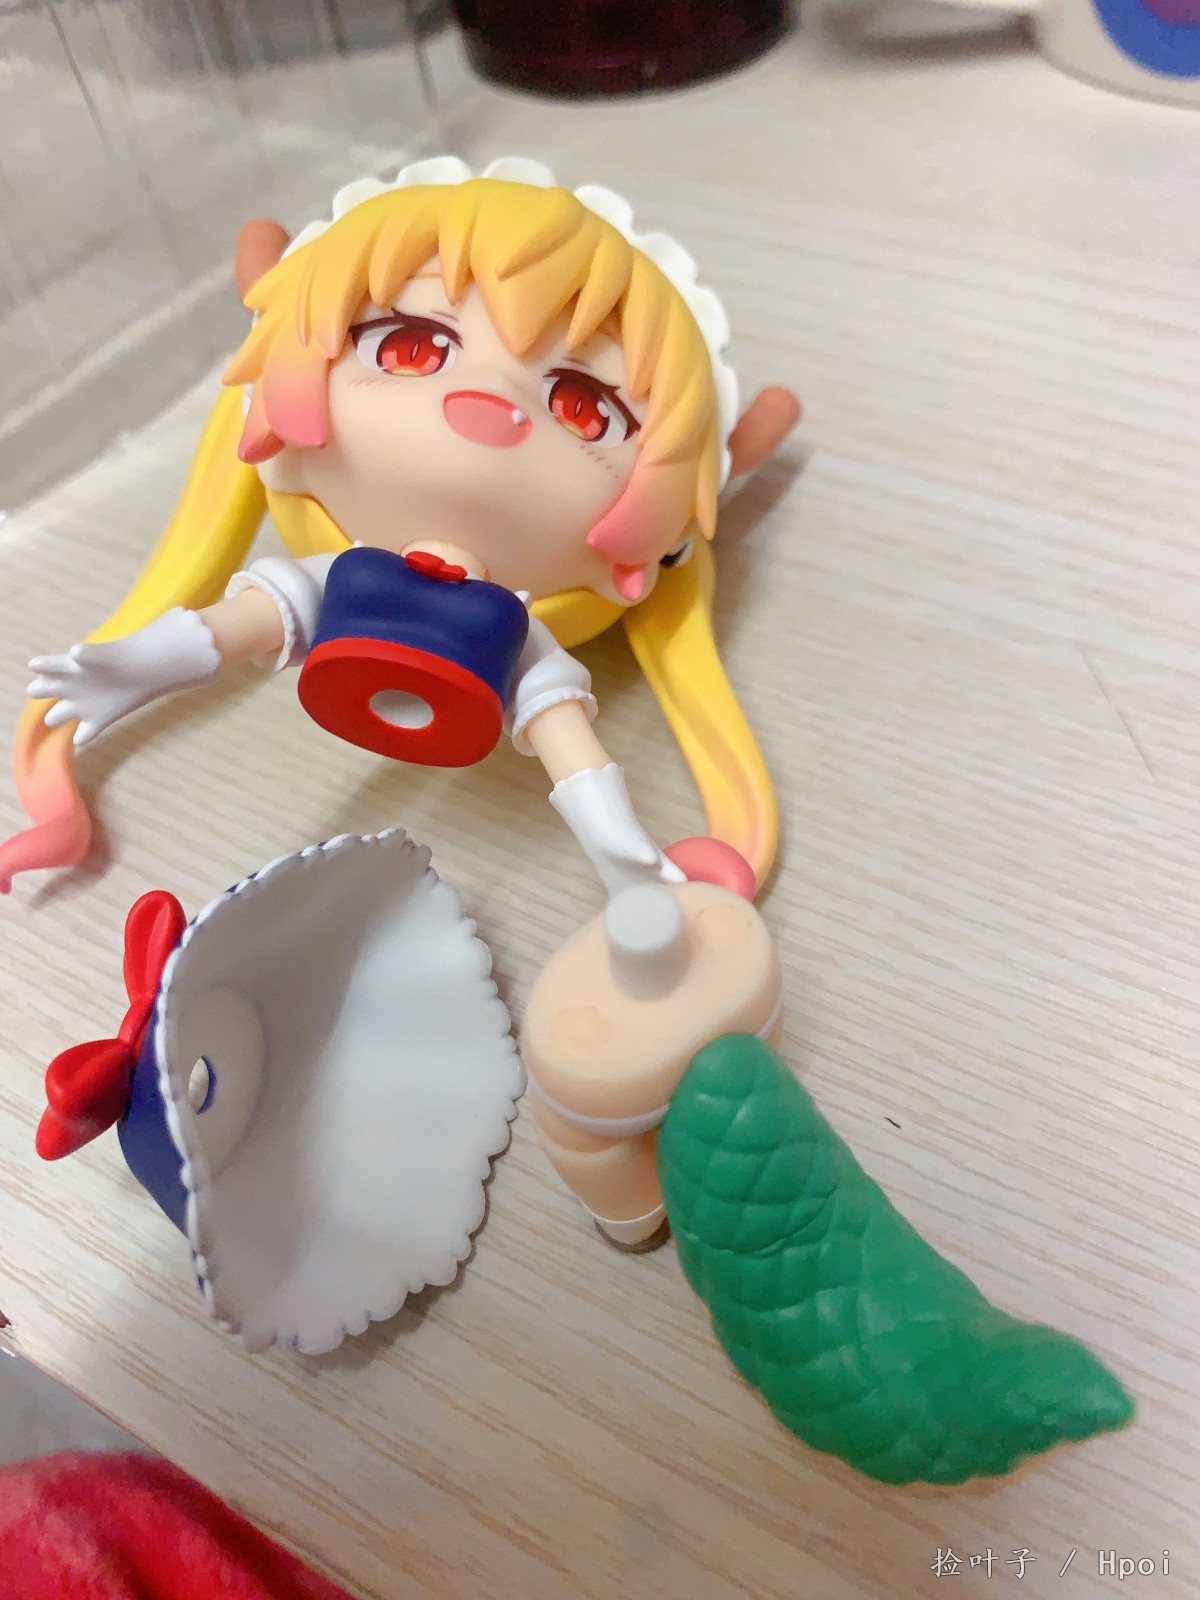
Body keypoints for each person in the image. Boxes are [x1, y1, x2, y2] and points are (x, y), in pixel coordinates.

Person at [4, 158, 799, 899]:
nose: (492, 400)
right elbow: (246, 621)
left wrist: (626, 856)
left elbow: (562, 733)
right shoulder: (343, 576)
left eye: (585, 408)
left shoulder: (517, 630)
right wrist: (129, 667)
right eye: (413, 347)